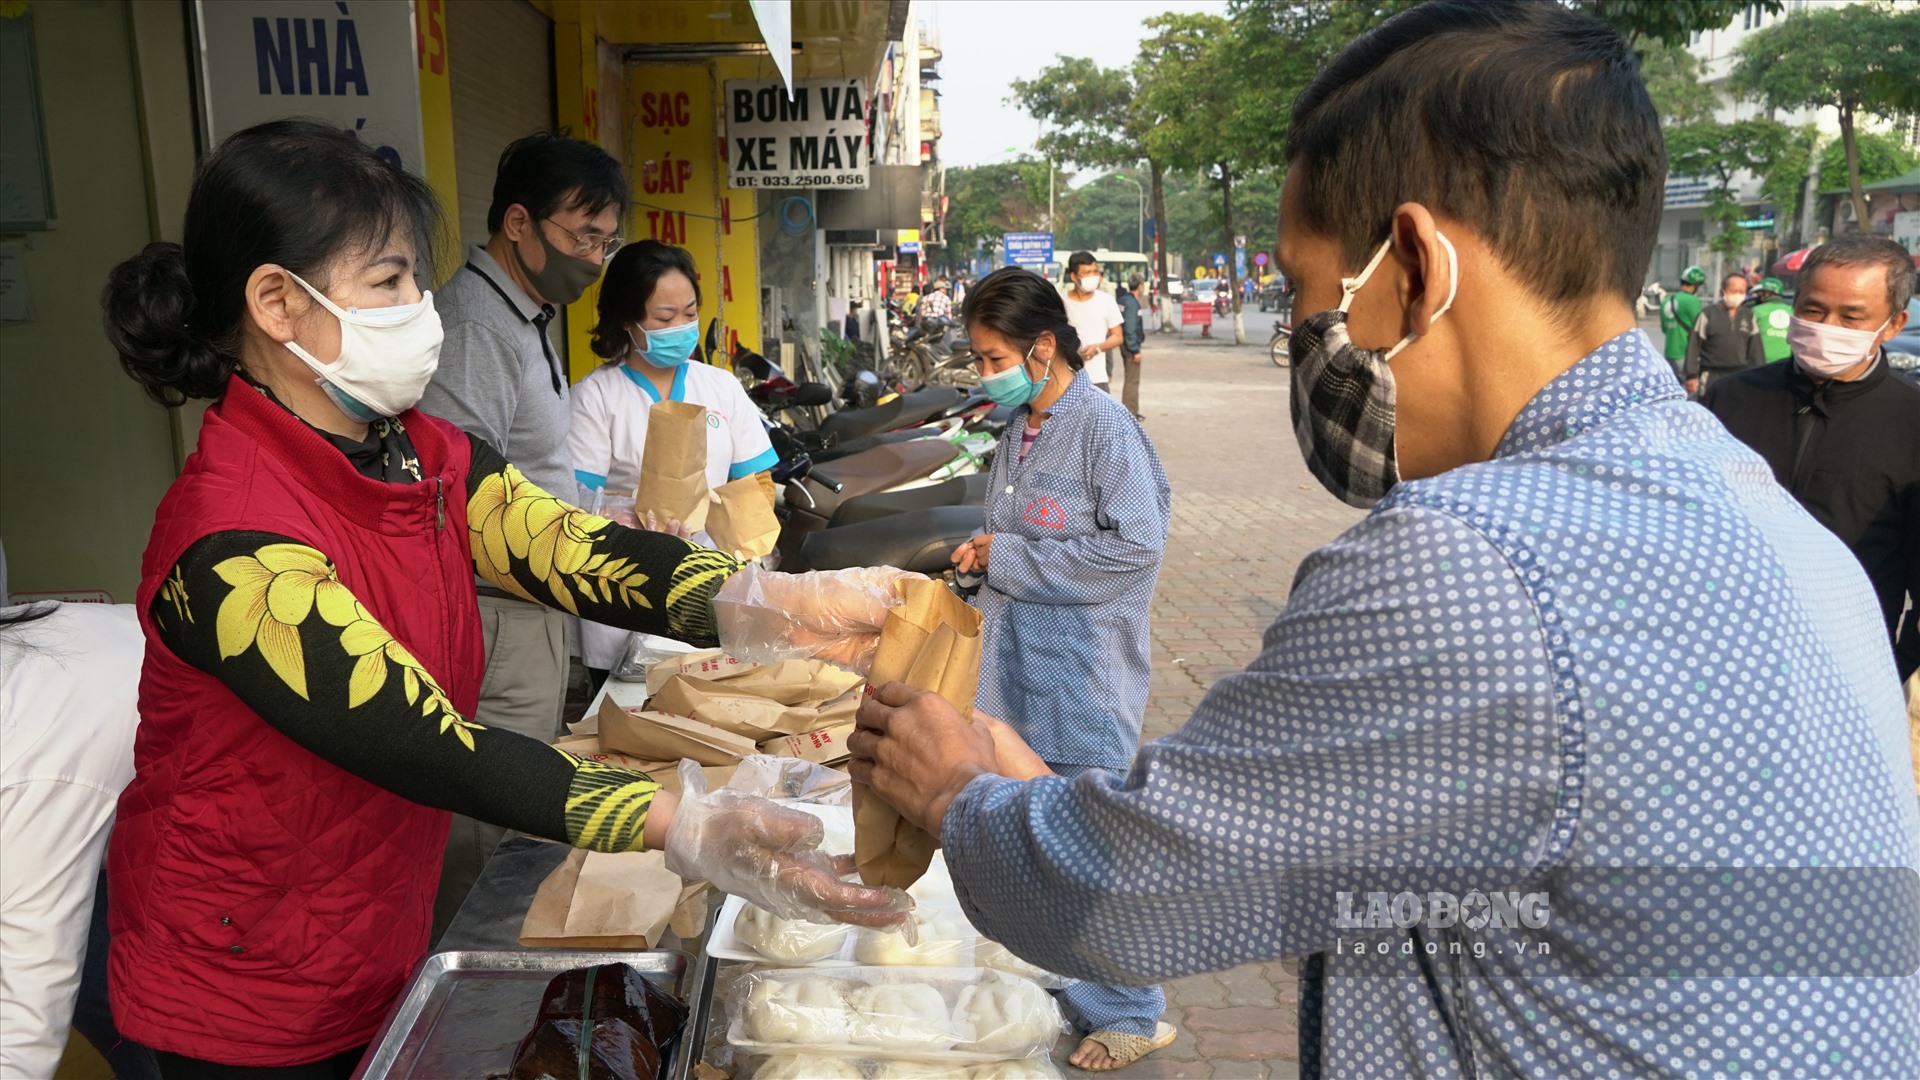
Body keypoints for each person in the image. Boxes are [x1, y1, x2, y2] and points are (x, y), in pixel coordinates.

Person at [847, 3, 1920, 1076]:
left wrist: (955, 795)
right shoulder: (1781, 526)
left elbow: (1130, 893)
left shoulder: (1472, 560)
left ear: (1414, 262)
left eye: (1313, 301)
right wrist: (1040, 788)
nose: (1311, 346)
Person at [97, 120, 907, 1078]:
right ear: (277, 301)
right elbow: (425, 740)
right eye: (390, 281)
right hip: (240, 979)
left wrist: (774, 602)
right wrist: (685, 825)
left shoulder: (419, 457)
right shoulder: (228, 539)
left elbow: (577, 549)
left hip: (370, 924)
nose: (420, 307)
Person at [950, 268, 1173, 1070]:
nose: (985, 373)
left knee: (1087, 851)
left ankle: (1132, 1013)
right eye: (978, 359)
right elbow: (1018, 541)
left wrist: (1008, 555)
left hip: (1083, 679)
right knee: (1039, 845)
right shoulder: (1020, 430)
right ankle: (1067, 985)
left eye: (990, 357)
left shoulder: (1105, 431)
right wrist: (985, 557)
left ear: (1043, 348)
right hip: (1017, 671)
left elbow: (1135, 548)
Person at [416, 132, 628, 932]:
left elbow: (529, 472)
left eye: (607, 243)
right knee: (490, 835)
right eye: (583, 238)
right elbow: (459, 493)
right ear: (518, 223)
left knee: (523, 819)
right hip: (495, 618)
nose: (595, 260)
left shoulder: (527, 314)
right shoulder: (475, 326)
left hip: (533, 608)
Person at [1703, 236, 1919, 680]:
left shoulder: (1911, 420)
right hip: (1722, 661)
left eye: (1851, 317)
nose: (1826, 326)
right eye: (1813, 310)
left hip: (1850, 674)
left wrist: (1894, 676)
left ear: (1894, 324)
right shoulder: (1731, 399)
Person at [567, 240, 780, 684]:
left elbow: (755, 484)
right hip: (621, 592)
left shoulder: (720, 387)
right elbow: (574, 500)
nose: (681, 327)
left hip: (709, 591)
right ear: (628, 320)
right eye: (665, 319)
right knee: (624, 720)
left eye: (689, 313)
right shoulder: (596, 396)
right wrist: (623, 511)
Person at [1, 602, 157, 1080]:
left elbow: (27, 1025)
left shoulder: (32, 766)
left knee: (121, 1000)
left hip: (241, 796)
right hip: (105, 769)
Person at [1684, 271, 1763, 396]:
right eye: (1733, 291)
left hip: (1740, 374)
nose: (1737, 294)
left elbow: (1756, 349)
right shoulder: (1707, 314)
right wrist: (1691, 375)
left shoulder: (1748, 316)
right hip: (1711, 374)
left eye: (1741, 291)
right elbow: (1693, 346)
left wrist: (1759, 375)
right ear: (1723, 292)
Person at [1061, 251, 1124, 393]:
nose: (1093, 276)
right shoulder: (1061, 302)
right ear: (1073, 276)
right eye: (1087, 273)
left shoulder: (1106, 301)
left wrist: (1098, 348)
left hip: (1097, 379)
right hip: (1066, 378)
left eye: (1095, 271)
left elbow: (1118, 336)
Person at [1659, 264, 1705, 377]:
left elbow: (1664, 329)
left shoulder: (1666, 301)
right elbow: (1701, 328)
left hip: (1669, 353)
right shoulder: (1692, 301)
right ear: (1695, 285)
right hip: (1686, 354)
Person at [1115, 272, 1147, 419]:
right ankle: (1130, 412)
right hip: (1130, 345)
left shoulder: (1123, 299)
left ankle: (1130, 410)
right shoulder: (1132, 303)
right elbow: (1130, 328)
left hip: (1124, 343)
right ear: (1140, 286)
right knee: (1132, 380)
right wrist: (1135, 350)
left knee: (1130, 378)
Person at [1749, 275, 1793, 362]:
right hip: (1786, 362)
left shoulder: (1755, 311)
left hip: (1761, 362)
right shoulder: (1792, 311)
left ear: (1767, 294)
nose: (1758, 297)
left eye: (1760, 294)